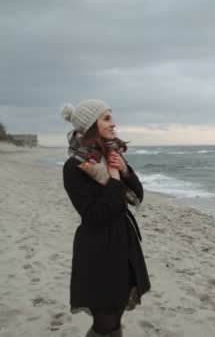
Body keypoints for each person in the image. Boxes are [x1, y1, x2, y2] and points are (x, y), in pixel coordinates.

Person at [61, 99, 150, 337]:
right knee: (104, 324)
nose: (114, 123)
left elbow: (138, 194)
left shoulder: (111, 155)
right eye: (107, 118)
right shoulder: (74, 167)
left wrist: (124, 171)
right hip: (98, 251)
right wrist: (113, 180)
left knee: (116, 318)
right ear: (91, 124)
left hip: (124, 244)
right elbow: (93, 216)